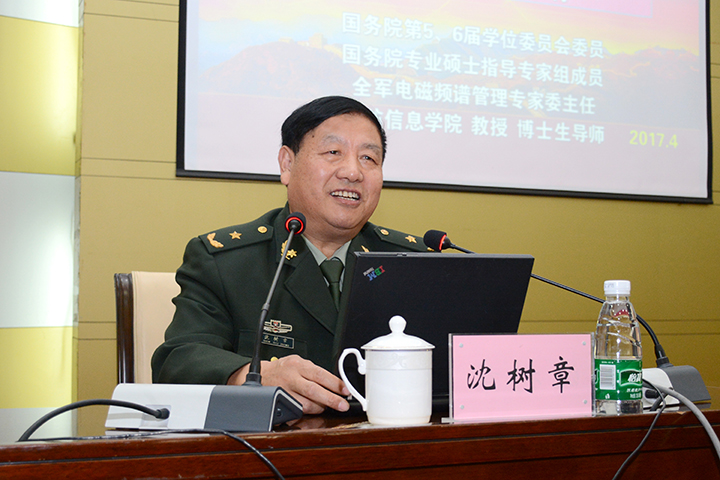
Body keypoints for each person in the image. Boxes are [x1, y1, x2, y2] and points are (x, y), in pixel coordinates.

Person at [151, 96, 428, 415]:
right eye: (333, 152)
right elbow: (178, 359)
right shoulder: (226, 262)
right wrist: (253, 376)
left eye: (368, 158)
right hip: (273, 442)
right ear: (287, 164)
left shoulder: (413, 263)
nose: (353, 172)